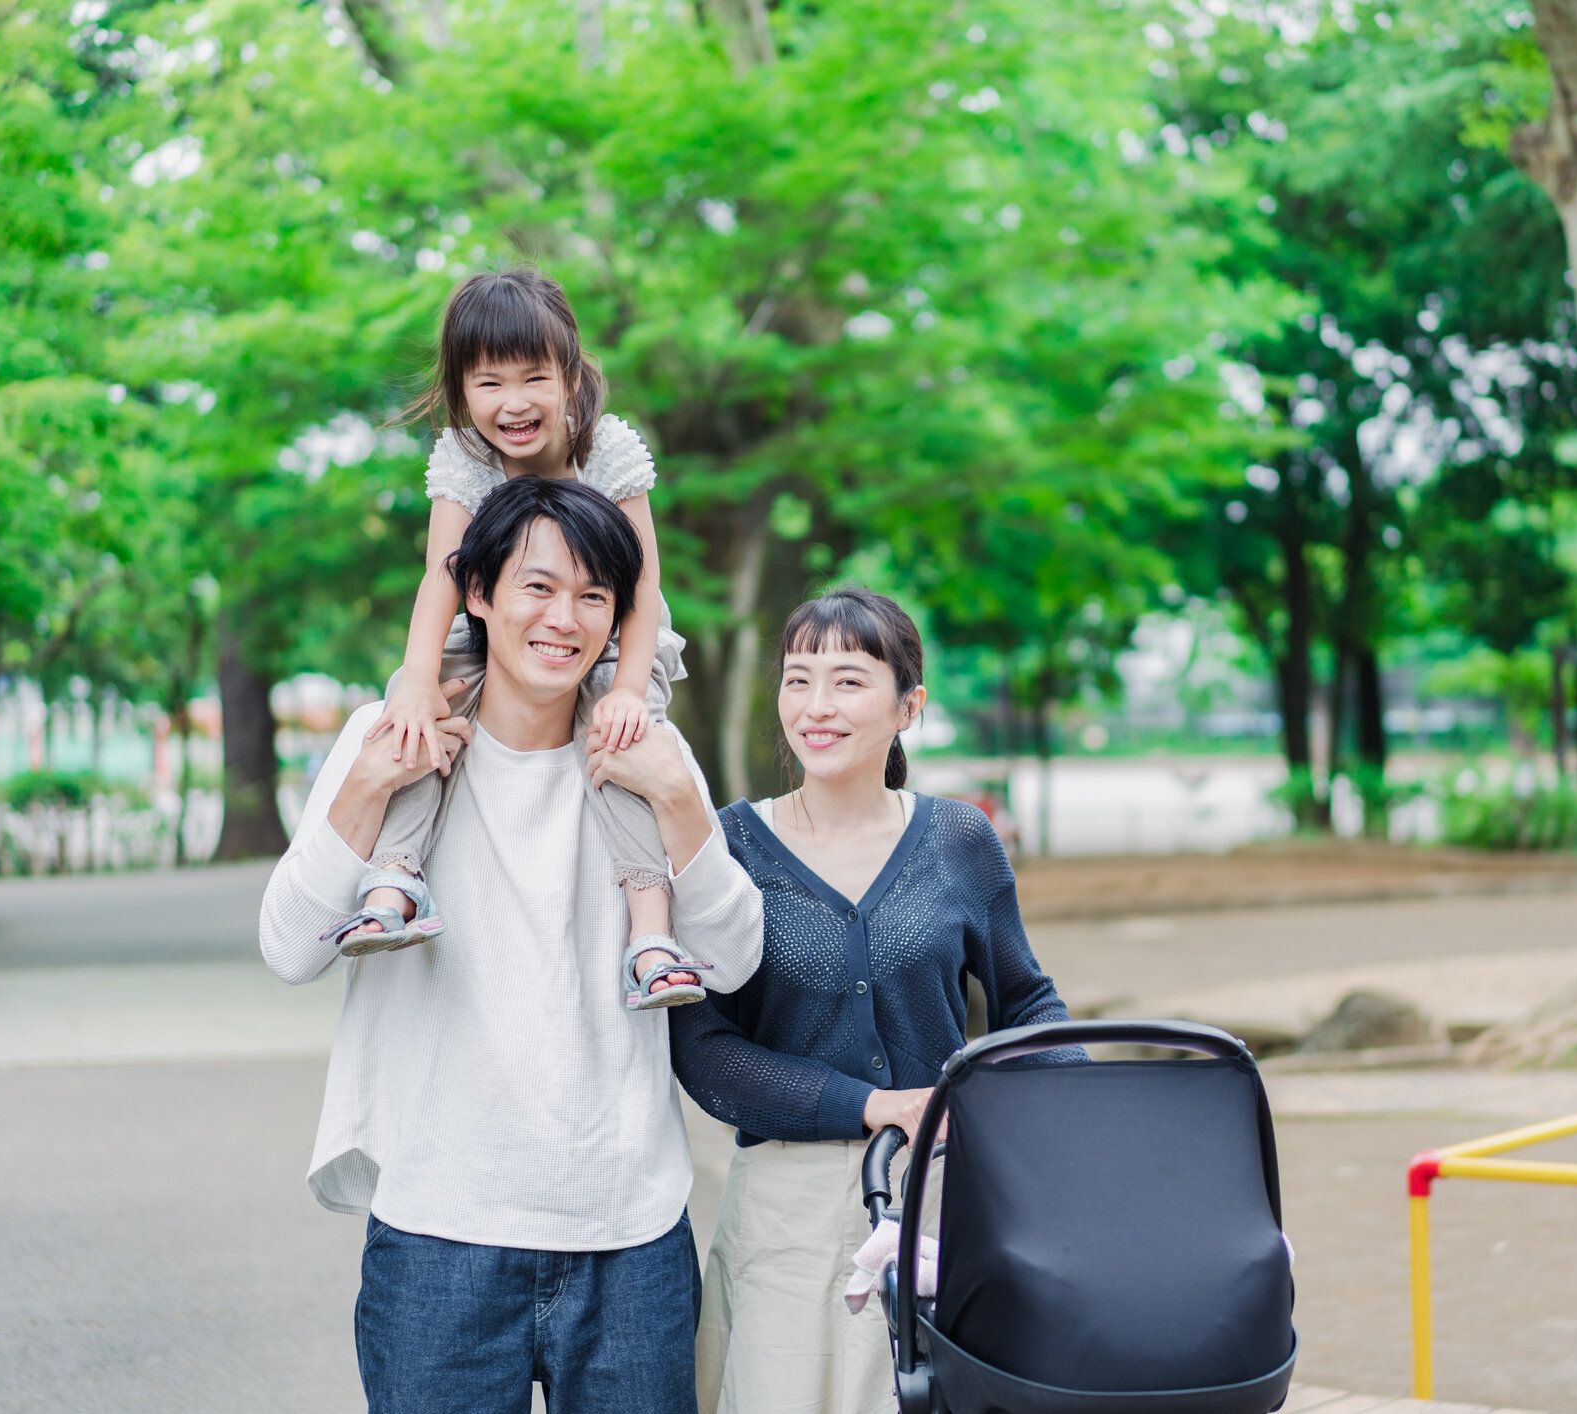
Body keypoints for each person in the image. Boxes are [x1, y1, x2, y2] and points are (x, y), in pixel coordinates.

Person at [258, 477, 764, 1412]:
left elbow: (730, 961)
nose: (563, 619)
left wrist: (682, 802)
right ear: (478, 593)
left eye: (592, 598)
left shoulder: (647, 747)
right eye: (536, 587)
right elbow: (290, 947)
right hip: (437, 1232)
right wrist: (367, 787)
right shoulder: (392, 738)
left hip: (628, 1234)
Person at [671, 587, 1078, 1414]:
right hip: (787, 1219)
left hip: (942, 1198)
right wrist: (872, 1104)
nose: (817, 706)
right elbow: (704, 1052)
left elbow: (1027, 1002)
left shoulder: (960, 840)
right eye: (797, 679)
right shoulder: (727, 847)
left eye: (849, 681)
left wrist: (1066, 1110)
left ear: (908, 705)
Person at [326, 264, 703, 1011]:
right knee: (425, 718)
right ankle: (394, 877)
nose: (514, 403)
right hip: (495, 629)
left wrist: (628, 685)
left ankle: (650, 931)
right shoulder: (465, 458)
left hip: (616, 634)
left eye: (534, 377)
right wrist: (415, 678)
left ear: (569, 373)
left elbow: (643, 584)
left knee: (619, 740)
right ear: (461, 388)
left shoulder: (608, 449)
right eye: (488, 383)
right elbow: (443, 576)